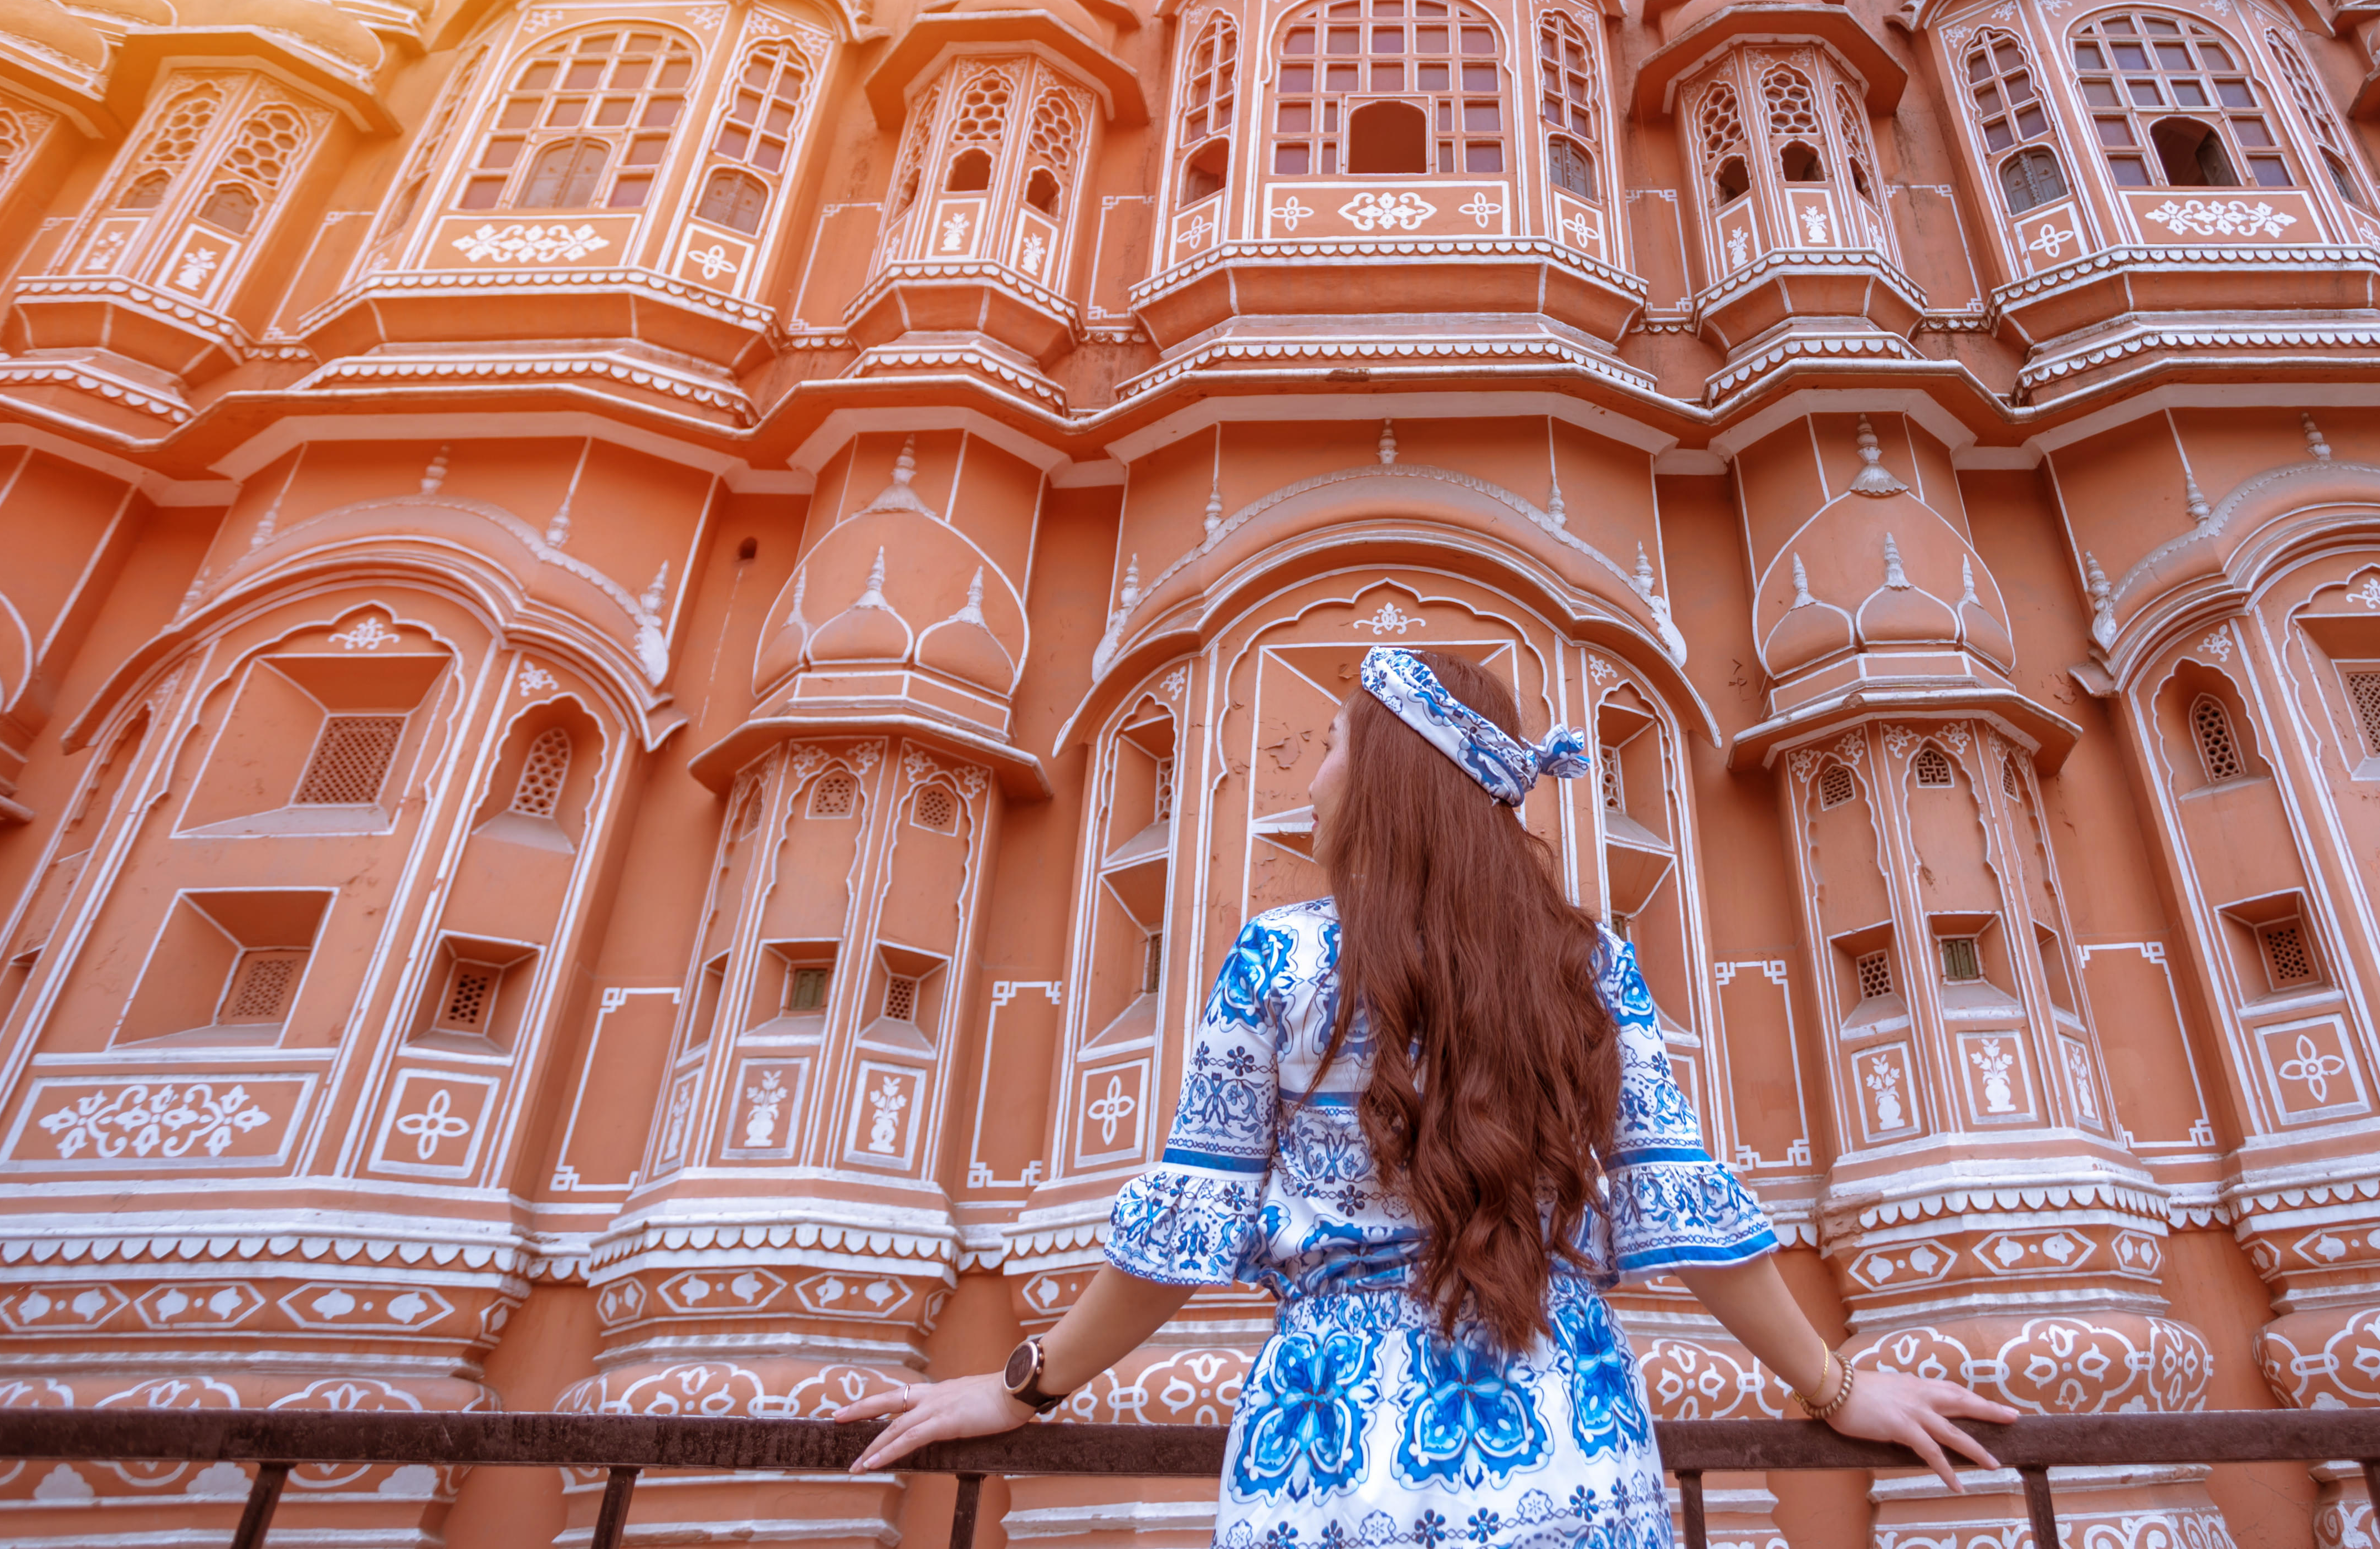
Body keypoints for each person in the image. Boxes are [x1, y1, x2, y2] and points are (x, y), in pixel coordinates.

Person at [838, 645, 2014, 1543]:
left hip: (1331, 1448)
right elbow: (1681, 1206)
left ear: (1394, 778)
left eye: (1338, 744)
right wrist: (1836, 1383)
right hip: (1564, 1435)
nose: (1315, 770)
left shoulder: (1281, 961)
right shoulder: (1585, 967)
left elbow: (1183, 1231)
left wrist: (1022, 1389)